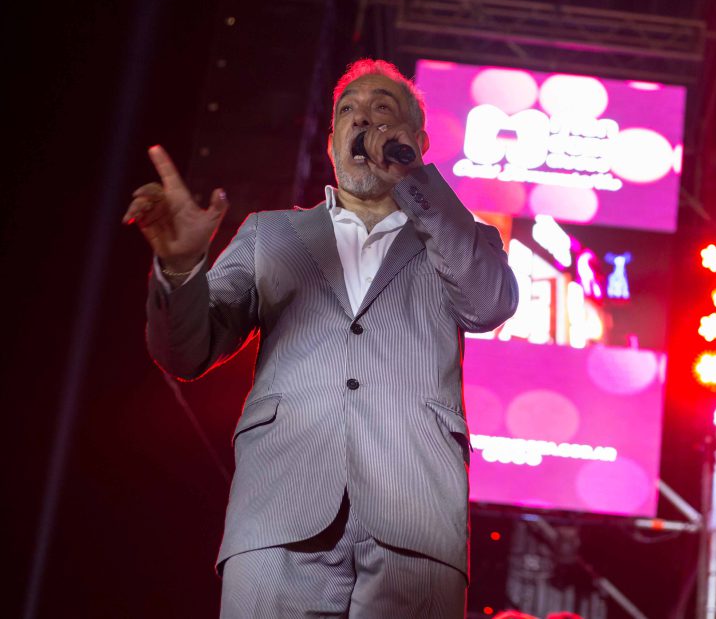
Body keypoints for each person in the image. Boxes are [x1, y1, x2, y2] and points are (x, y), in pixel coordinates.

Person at [123, 58, 519, 617]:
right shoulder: (270, 234)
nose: (364, 120)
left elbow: (488, 305)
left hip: (416, 519)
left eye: (383, 110)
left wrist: (415, 181)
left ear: (418, 141)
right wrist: (182, 268)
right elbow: (185, 352)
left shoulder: (461, 237)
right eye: (348, 111)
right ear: (332, 143)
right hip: (279, 512)